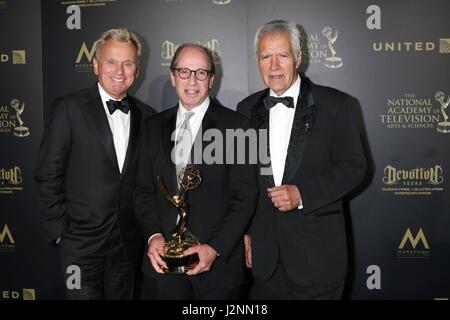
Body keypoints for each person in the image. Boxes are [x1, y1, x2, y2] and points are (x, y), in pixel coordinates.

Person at [237, 20, 367, 300]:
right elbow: (244, 181)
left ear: (298, 57)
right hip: (266, 260)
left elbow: (354, 168)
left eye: (282, 55)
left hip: (318, 259)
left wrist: (301, 194)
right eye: (265, 56)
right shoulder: (246, 109)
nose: (273, 66)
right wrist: (246, 233)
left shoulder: (337, 105)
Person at [34, 28, 155, 299]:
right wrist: (60, 234)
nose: (119, 71)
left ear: (137, 68)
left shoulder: (146, 116)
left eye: (128, 63)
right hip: (79, 244)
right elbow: (47, 174)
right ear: (96, 65)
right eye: (111, 61)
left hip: (126, 245)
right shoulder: (70, 108)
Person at [133, 43, 257, 299]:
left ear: (211, 79)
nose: (192, 80)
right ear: (173, 76)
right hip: (163, 268)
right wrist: (153, 236)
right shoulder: (151, 127)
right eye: (184, 72)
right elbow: (142, 191)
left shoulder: (238, 127)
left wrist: (215, 247)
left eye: (201, 72)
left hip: (219, 271)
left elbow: (245, 196)